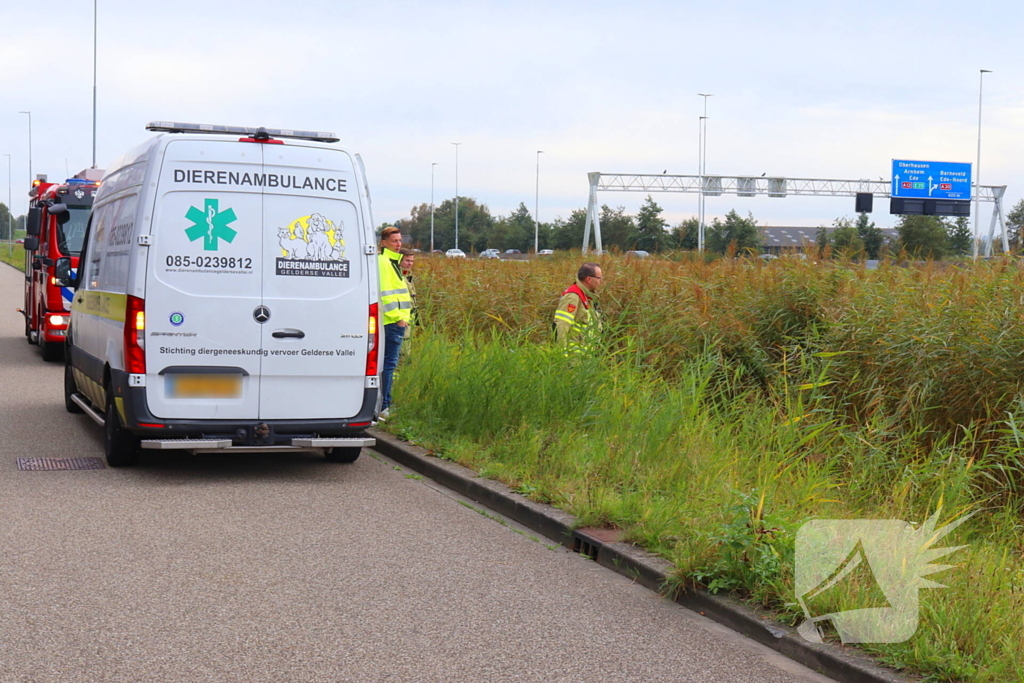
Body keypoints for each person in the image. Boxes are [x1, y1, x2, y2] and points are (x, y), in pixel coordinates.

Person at [377, 227, 412, 420]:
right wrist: (399, 319)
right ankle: (384, 406)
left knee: (389, 364)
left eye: (399, 241)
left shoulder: (392, 262)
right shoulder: (384, 262)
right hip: (392, 322)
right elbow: (385, 294)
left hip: (395, 321)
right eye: (394, 241)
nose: (398, 245)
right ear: (384, 243)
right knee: (389, 365)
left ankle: (384, 404)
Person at [553, 262, 603, 349]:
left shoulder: (588, 297)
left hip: (585, 355)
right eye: (599, 278)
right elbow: (561, 326)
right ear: (589, 279)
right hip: (574, 356)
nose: (601, 281)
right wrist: (562, 354)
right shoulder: (573, 297)